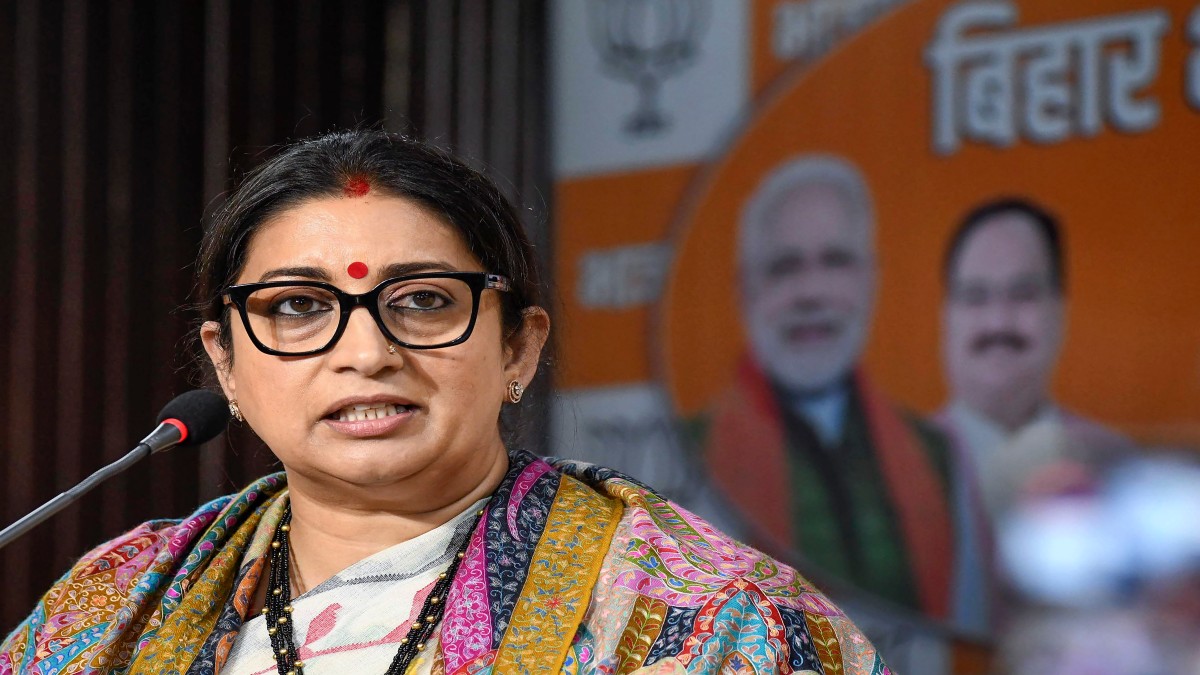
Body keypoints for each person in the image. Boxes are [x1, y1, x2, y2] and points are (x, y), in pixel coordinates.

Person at [0, 131, 887, 674]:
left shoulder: (715, 621)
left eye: (422, 300)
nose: (365, 352)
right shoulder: (109, 608)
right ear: (224, 363)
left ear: (518, 347)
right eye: (298, 307)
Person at [700, 154, 956, 620]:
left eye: (835, 261)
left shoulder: (940, 459)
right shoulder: (693, 457)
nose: (811, 292)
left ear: (870, 281)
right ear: (745, 291)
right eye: (785, 267)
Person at [934, 196, 1134, 632]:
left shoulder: (1121, 470)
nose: (998, 320)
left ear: (1059, 310)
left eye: (1023, 294)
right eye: (975, 297)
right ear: (946, 316)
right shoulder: (889, 472)